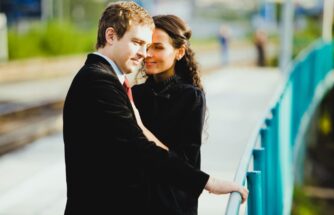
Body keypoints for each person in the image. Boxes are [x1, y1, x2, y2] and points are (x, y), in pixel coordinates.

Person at [63, 2, 248, 215]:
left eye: (150, 45)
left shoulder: (108, 80)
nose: (144, 54)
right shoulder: (99, 81)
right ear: (111, 36)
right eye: (138, 43)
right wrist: (209, 182)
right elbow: (139, 147)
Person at [132, 15, 245, 215]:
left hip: (174, 204)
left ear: (179, 52)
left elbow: (184, 161)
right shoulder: (136, 94)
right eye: (146, 46)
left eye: (158, 47)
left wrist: (211, 183)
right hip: (137, 201)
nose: (148, 54)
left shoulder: (190, 97)